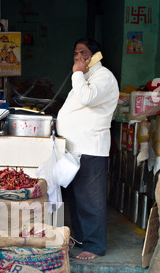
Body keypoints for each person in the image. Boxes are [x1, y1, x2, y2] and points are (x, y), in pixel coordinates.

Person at [56, 38, 119, 260]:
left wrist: (76, 72)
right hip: (74, 148)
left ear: (94, 55)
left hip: (90, 148)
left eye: (82, 53)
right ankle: (83, 240)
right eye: (75, 53)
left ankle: (94, 246)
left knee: (90, 200)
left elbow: (87, 98)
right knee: (75, 198)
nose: (78, 57)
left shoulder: (103, 76)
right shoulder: (85, 77)